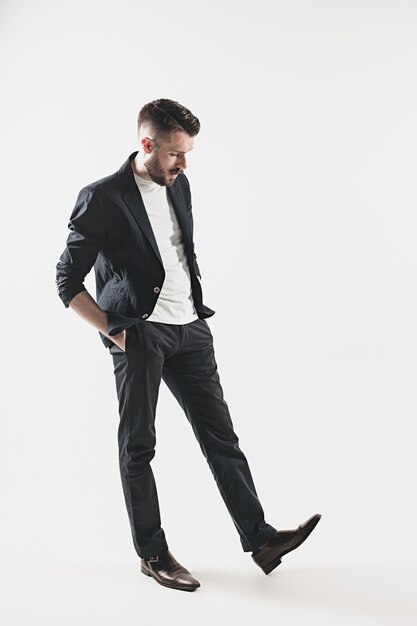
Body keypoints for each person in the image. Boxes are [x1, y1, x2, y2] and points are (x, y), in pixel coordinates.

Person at [55, 98, 321, 592]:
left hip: (191, 330)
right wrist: (116, 331)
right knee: (139, 446)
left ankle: (259, 539)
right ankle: (152, 553)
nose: (184, 163)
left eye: (188, 153)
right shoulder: (102, 198)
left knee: (222, 437)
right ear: (147, 145)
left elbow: (178, 253)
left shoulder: (181, 185)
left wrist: (192, 311)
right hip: (139, 335)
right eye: (176, 154)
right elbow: (66, 279)